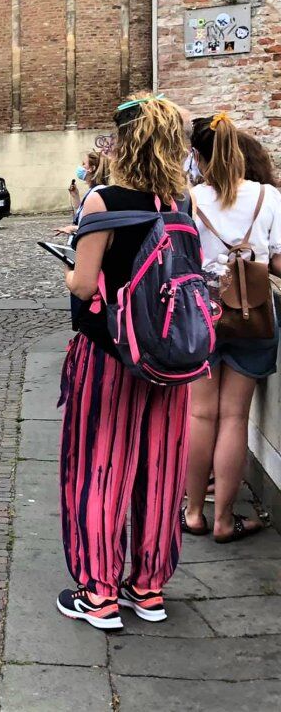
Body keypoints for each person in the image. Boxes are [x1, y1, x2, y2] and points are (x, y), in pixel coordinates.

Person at [57, 93, 192, 630]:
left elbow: (86, 284)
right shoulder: (180, 200)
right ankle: (149, 589)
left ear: (124, 141)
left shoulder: (103, 201)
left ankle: (100, 594)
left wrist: (69, 267)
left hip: (111, 355)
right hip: (169, 354)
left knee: (102, 466)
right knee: (159, 471)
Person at [182, 114, 281, 543]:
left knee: (199, 414)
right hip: (252, 314)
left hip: (201, 316)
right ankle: (224, 520)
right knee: (235, 416)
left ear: (198, 157)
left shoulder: (188, 200)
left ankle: (191, 513)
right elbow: (277, 261)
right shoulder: (268, 196)